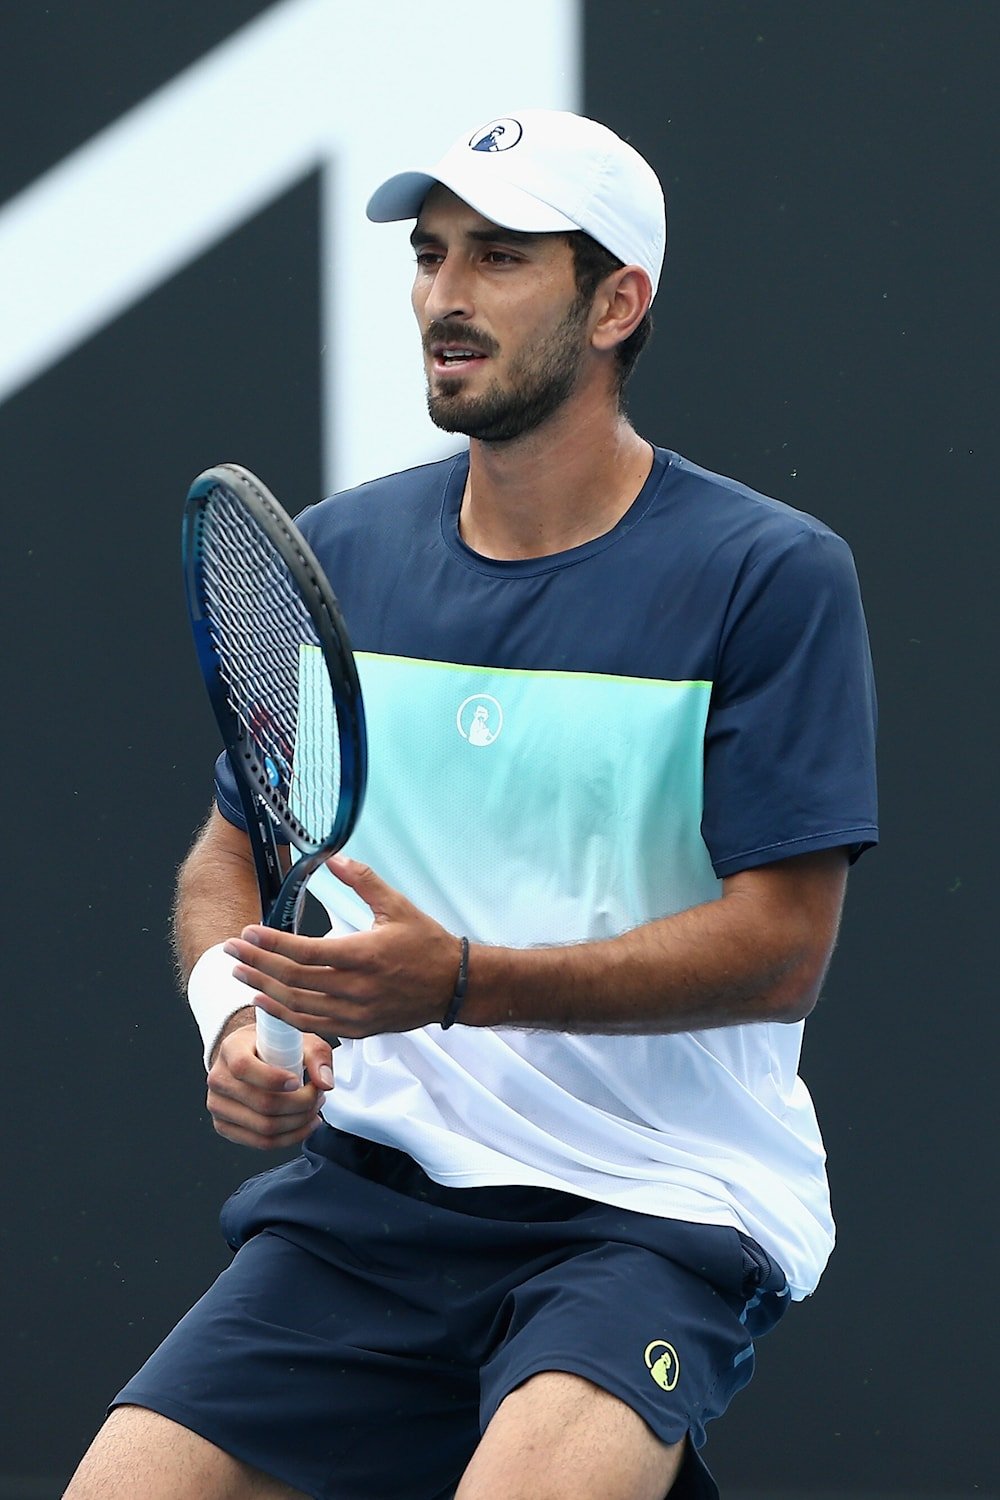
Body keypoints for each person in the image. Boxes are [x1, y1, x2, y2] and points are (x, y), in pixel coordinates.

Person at [65, 109, 877, 1500]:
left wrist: (457, 982)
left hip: (655, 1207)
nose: (445, 293)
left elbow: (782, 951)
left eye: (501, 257)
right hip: (370, 1202)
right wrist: (237, 1021)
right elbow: (229, 855)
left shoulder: (769, 575)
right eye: (432, 255)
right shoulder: (346, 553)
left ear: (617, 301)